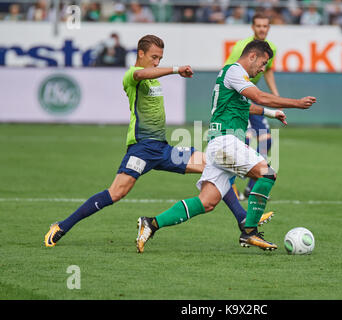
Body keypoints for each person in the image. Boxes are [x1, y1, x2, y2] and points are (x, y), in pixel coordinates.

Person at [44, 35, 274, 247]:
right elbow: (141, 74)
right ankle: (62, 226)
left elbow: (151, 75)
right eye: (154, 57)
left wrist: (268, 113)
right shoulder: (132, 75)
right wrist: (174, 69)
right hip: (141, 150)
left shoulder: (153, 80)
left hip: (162, 148)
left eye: (160, 59)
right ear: (140, 54)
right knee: (116, 193)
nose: (156, 62)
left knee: (214, 165)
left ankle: (244, 220)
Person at [136, 40, 316, 253]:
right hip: (226, 142)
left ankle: (151, 223)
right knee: (267, 174)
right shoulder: (234, 71)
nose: (262, 68)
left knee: (207, 202)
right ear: (252, 56)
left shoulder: (234, 77)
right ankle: (249, 232)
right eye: (263, 63)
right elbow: (258, 96)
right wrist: (296, 103)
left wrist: (271, 113)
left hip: (219, 144)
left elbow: (245, 105)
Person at [224, 13, 279, 200]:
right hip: (237, 97)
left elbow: (269, 70)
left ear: (268, 28)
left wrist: (275, 93)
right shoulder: (242, 47)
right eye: (259, 26)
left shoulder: (272, 48)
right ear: (253, 27)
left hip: (251, 96)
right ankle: (228, 185)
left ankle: (251, 188)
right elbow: (228, 72)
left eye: (265, 26)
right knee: (243, 141)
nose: (262, 29)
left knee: (266, 139)